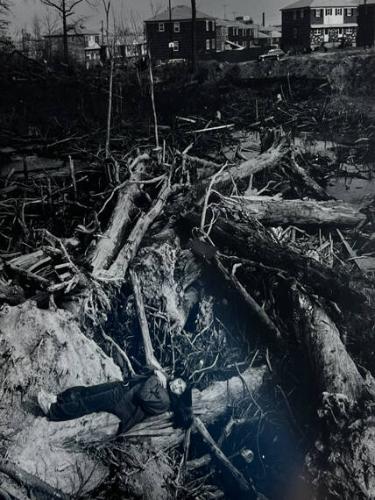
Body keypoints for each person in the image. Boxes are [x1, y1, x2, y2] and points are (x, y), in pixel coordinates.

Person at [37, 370, 193, 434]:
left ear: (179, 396)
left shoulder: (165, 401)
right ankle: (59, 399)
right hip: (122, 389)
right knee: (87, 391)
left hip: (122, 402)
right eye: (180, 382)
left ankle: (53, 411)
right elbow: (142, 374)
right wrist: (156, 375)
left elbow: (143, 395)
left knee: (87, 404)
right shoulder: (164, 384)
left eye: (180, 389)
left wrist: (154, 377)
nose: (177, 385)